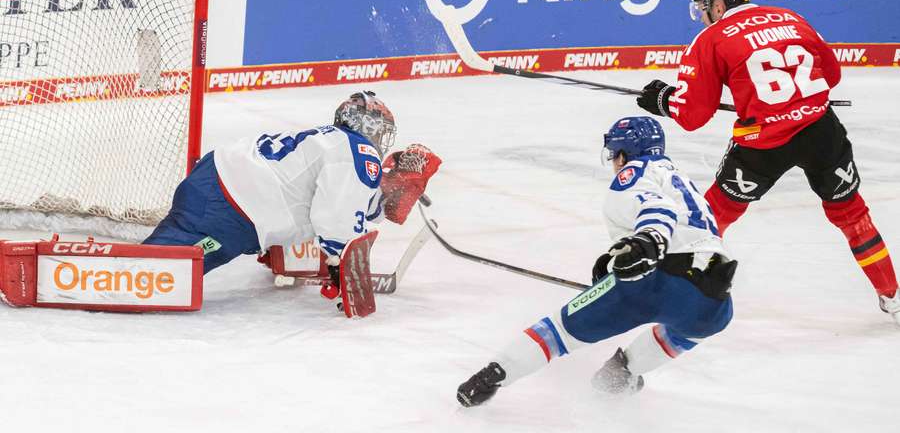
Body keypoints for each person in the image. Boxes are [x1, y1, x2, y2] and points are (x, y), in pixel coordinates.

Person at [636, 0, 900, 324]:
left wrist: (663, 99)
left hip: (763, 144)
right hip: (821, 130)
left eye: (702, 7)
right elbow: (831, 74)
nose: (701, 15)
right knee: (852, 213)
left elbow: (694, 114)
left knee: (713, 214)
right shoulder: (789, 17)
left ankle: (668, 293)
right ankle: (893, 296)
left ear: (717, 4)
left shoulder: (712, 39)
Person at [457, 116, 736, 407]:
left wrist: (648, 241)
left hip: (659, 280)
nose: (615, 162)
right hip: (714, 299)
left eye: (615, 154)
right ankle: (621, 372)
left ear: (623, 153)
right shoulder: (680, 180)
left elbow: (658, 210)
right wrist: (620, 255)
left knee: (559, 332)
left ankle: (490, 377)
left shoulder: (633, 173)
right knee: (685, 329)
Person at [143, 90, 440, 300]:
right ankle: (103, 275)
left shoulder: (332, 140)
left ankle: (274, 251)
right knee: (155, 274)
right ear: (370, 128)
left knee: (164, 253)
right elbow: (336, 218)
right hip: (229, 209)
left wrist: (388, 191)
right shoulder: (358, 151)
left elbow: (352, 203)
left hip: (218, 176)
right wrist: (340, 262)